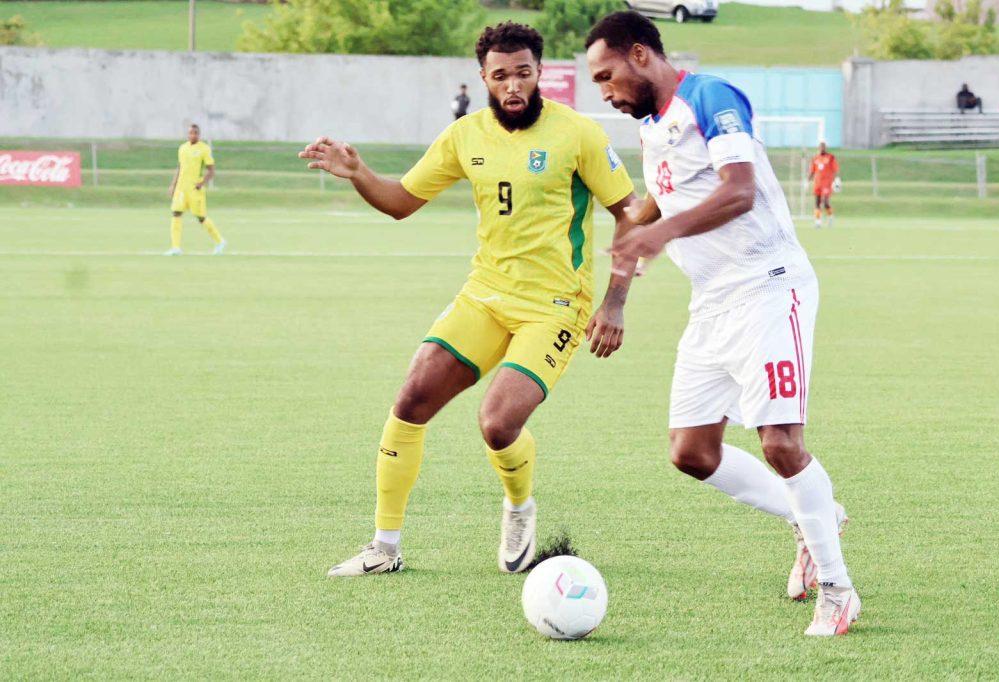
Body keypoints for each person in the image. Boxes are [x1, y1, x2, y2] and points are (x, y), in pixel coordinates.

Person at [299, 22, 638, 578]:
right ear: (482, 76)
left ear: (539, 73)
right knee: (411, 400)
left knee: (497, 422)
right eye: (500, 75)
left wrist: (615, 302)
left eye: (523, 73)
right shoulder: (465, 136)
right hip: (484, 295)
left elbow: (631, 215)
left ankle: (519, 507)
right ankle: (384, 548)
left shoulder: (577, 134)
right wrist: (359, 173)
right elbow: (401, 202)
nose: (512, 85)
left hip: (555, 305)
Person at [585, 11, 858, 637]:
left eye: (607, 76)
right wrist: (616, 298)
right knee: (691, 451)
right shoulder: (655, 132)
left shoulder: (709, 96)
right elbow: (639, 219)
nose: (604, 91)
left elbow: (738, 190)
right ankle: (812, 516)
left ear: (640, 55)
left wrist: (662, 231)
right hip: (712, 303)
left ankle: (839, 590)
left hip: (769, 286)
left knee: (780, 442)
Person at [166, 124, 226, 256]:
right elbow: (180, 167)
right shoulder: (182, 148)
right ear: (188, 134)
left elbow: (211, 171)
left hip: (194, 189)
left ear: (199, 135)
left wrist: (202, 183)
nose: (192, 135)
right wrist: (173, 185)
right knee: (176, 213)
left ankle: (220, 241)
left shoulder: (204, 149)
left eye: (195, 133)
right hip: (181, 189)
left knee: (201, 217)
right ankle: (176, 247)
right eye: (190, 133)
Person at [808, 142, 839, 228]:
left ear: (825, 148)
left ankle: (830, 216)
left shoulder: (830, 157)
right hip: (817, 183)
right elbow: (812, 171)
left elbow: (835, 169)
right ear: (818, 148)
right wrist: (807, 181)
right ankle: (818, 222)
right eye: (820, 147)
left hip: (827, 183)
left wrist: (836, 180)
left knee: (825, 202)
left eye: (823, 147)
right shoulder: (815, 158)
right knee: (817, 202)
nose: (822, 149)